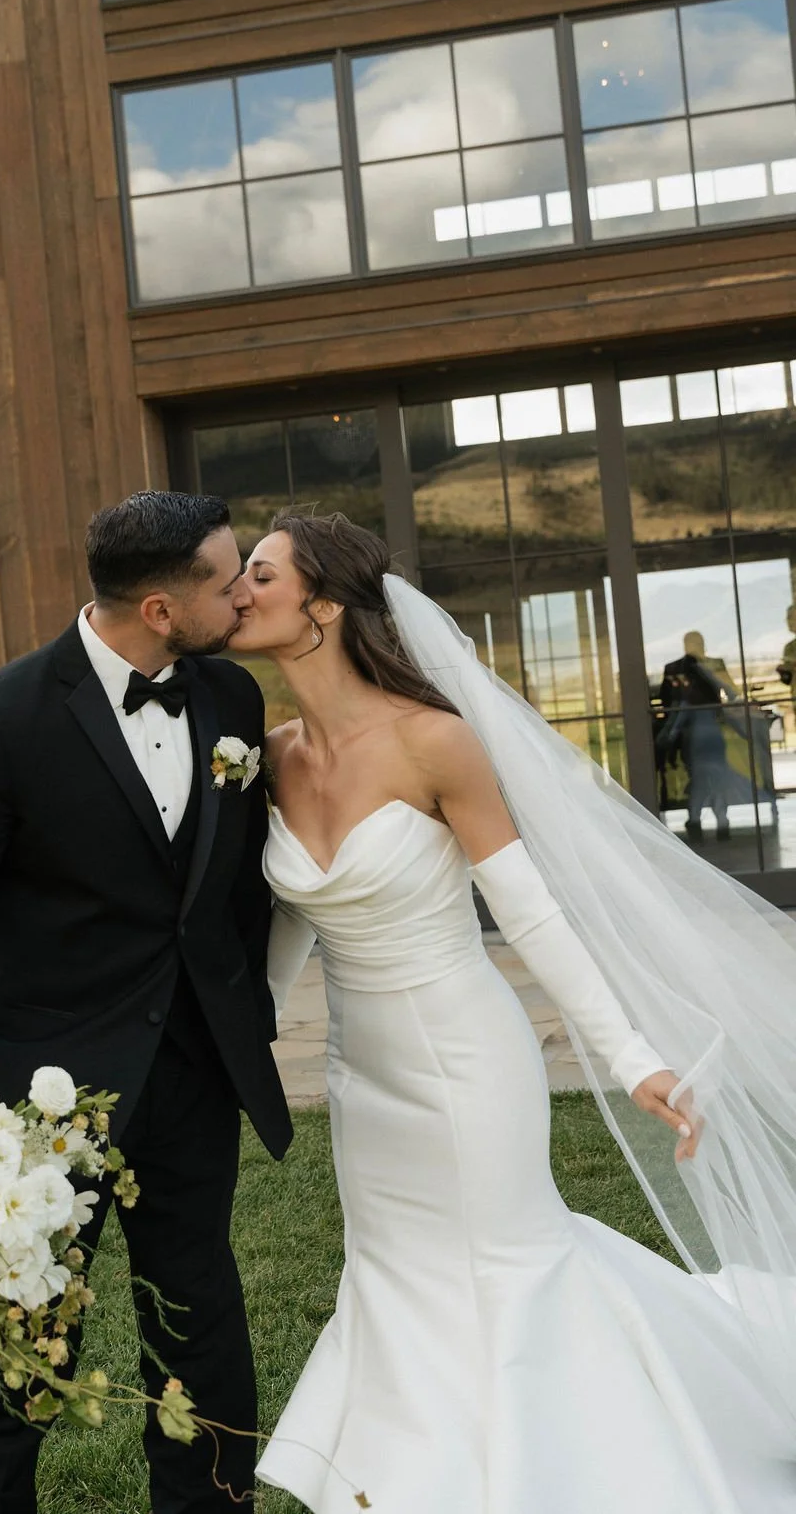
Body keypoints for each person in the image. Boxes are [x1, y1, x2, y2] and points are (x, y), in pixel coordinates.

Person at [228, 510, 796, 1514]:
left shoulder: (433, 740)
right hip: (365, 1079)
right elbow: (291, 923)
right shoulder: (269, 757)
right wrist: (240, 1039)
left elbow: (532, 914)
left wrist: (633, 1058)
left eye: (260, 574)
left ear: (319, 604)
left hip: (466, 1058)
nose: (238, 590)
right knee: (394, 1272)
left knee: (511, 1263)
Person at [0, 491, 292, 1514]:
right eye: (227, 577)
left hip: (195, 1072)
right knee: (18, 1342)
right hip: (41, 1094)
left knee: (200, 1321)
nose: (244, 592)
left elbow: (234, 891)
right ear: (159, 607)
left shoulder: (233, 700)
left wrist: (243, 1021)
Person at [658, 631, 739, 838]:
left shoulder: (711, 666)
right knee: (703, 777)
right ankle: (708, 820)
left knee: (706, 777)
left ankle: (705, 820)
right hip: (693, 733)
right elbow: (668, 701)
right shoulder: (675, 668)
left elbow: (731, 692)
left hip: (705, 730)